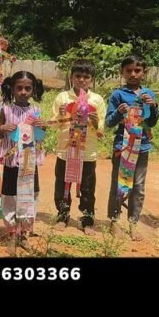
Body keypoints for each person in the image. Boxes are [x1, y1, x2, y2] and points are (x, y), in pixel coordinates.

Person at [105, 54, 159, 241]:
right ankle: (114, 221)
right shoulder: (117, 95)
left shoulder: (148, 94)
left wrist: (154, 106)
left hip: (142, 148)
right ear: (122, 72)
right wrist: (118, 112)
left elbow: (151, 122)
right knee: (119, 184)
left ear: (144, 72)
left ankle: (133, 223)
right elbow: (109, 122)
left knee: (138, 187)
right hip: (122, 147)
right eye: (129, 70)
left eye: (137, 70)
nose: (133, 74)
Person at [50, 59, 106, 235]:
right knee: (62, 184)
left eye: (86, 77)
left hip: (87, 152)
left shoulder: (97, 100)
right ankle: (62, 216)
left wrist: (95, 122)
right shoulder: (62, 98)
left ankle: (87, 220)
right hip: (65, 150)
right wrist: (60, 115)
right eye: (78, 76)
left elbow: (101, 131)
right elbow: (54, 124)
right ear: (71, 77)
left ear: (92, 79)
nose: (82, 80)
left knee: (87, 187)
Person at [0, 71, 46, 255]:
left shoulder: (36, 111)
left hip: (30, 162)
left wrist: (43, 127)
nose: (23, 92)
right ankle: (11, 233)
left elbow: (41, 136)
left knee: (30, 194)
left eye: (28, 88)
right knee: (9, 195)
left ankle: (24, 233)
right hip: (12, 162)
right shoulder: (6, 110)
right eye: (19, 88)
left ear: (33, 90)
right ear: (12, 88)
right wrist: (2, 128)